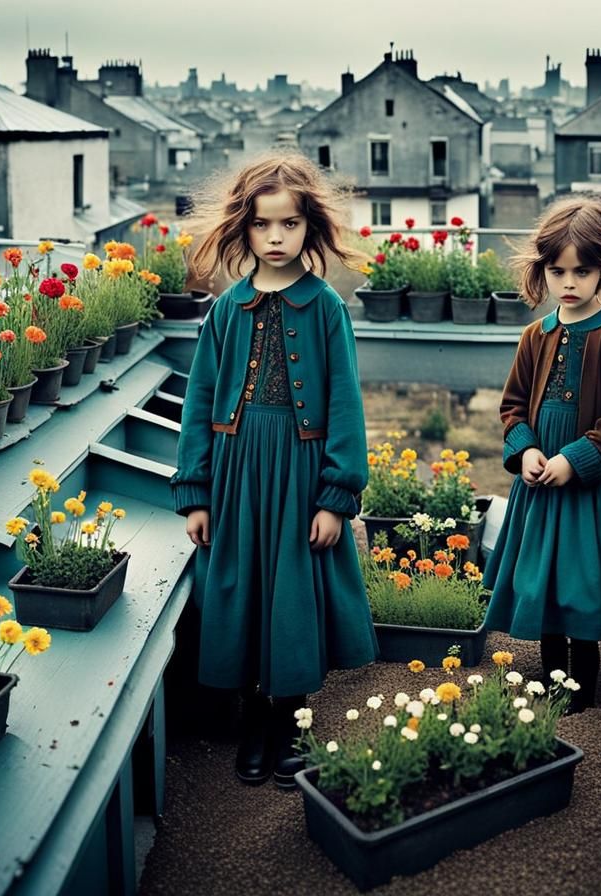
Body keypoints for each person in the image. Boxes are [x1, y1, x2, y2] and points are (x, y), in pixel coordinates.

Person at [170, 152, 377, 788]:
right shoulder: (226, 310)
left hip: (299, 474)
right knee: (243, 591)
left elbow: (344, 401)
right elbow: (200, 401)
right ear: (245, 229)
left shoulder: (325, 308)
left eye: (289, 225)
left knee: (291, 595)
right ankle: (253, 722)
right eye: (264, 226)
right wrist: (196, 492)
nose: (277, 237)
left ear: (309, 228)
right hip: (236, 478)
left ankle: (290, 723)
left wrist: (335, 498)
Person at [483, 196, 601, 712]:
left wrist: (572, 461)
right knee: (543, 576)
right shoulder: (535, 336)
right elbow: (512, 407)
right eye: (558, 270)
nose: (568, 282)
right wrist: (528, 450)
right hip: (538, 488)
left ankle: (580, 686)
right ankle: (551, 675)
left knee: (581, 581)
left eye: (581, 271)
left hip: (589, 491)